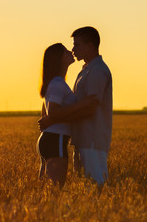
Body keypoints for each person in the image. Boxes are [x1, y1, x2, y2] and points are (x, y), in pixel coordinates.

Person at [39, 27, 112, 186]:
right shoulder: (84, 71)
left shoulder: (97, 71)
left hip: (92, 139)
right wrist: (52, 118)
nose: (73, 50)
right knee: (85, 187)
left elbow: (90, 108)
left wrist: (52, 119)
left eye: (77, 45)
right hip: (81, 139)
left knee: (95, 187)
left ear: (90, 46)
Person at [36, 43, 99, 189]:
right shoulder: (58, 83)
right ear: (59, 59)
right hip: (56, 140)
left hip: (49, 139)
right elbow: (52, 112)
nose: (70, 51)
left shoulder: (56, 82)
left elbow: (46, 110)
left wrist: (50, 121)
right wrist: (83, 104)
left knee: (45, 191)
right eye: (65, 51)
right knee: (55, 191)